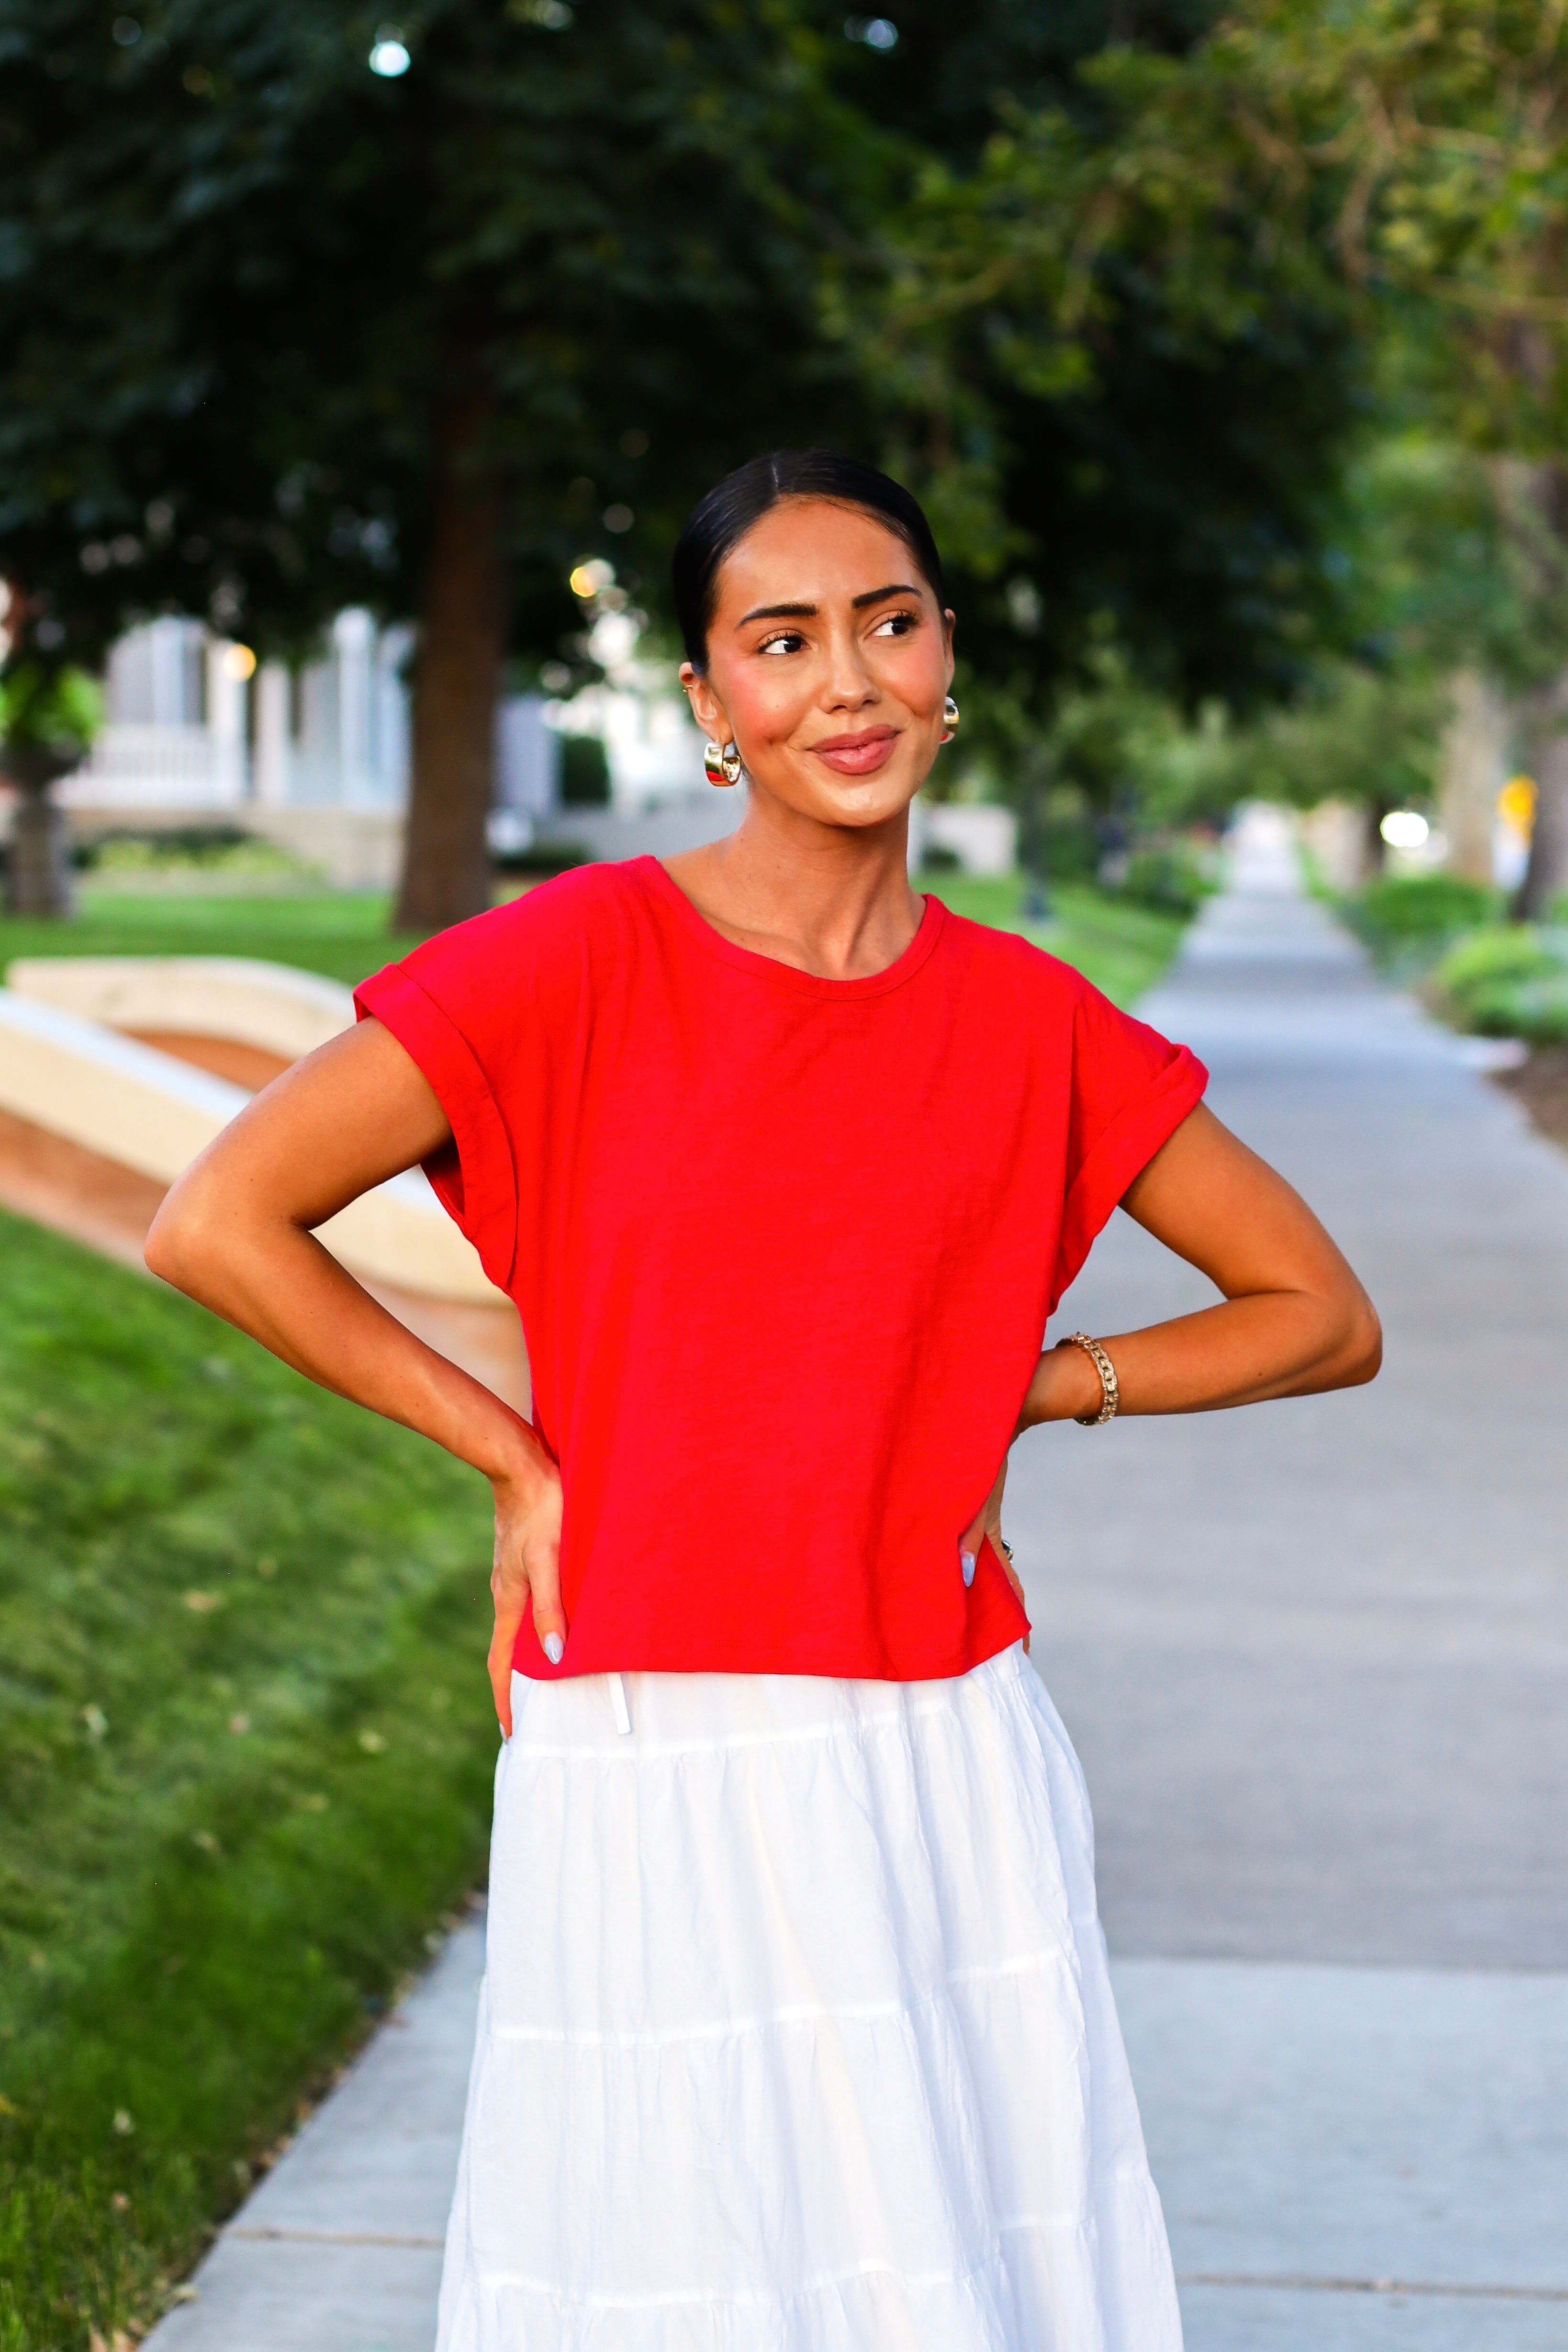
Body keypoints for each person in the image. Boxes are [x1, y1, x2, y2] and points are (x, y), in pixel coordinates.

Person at [146, 448, 1380, 2351]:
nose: (849, 681)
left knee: (949, 2267)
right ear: (714, 703)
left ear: (947, 658)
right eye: (782, 639)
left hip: (934, 1737)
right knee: (673, 2270)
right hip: (649, 1726)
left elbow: (1319, 1309)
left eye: (889, 623)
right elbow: (220, 1216)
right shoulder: (574, 960)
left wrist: (1040, 1387)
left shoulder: (1036, 1024)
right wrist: (511, 1450)